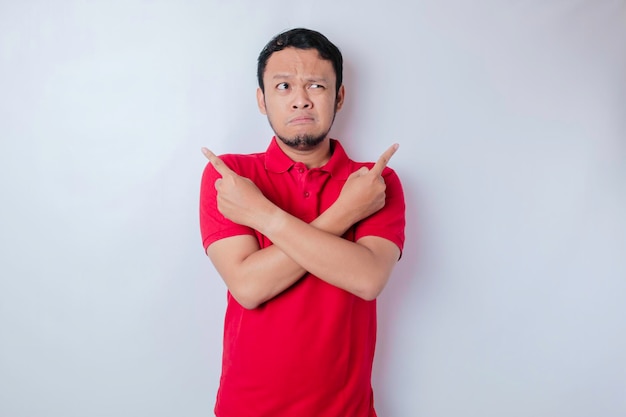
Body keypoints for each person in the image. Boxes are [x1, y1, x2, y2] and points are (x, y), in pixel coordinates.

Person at [199, 28, 406, 417]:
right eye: (283, 86)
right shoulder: (231, 179)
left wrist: (261, 214)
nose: (300, 101)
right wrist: (344, 215)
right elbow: (248, 286)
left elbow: (368, 279)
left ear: (339, 97)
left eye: (316, 85)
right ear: (262, 100)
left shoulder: (373, 183)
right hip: (247, 409)